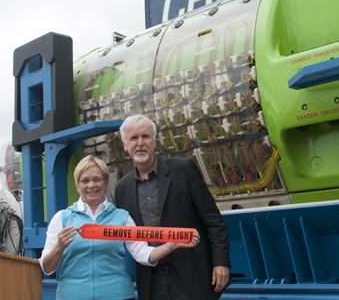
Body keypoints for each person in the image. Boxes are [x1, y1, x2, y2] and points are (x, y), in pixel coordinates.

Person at [40, 155, 199, 300]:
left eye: (97, 179)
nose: (91, 185)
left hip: (118, 295)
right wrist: (59, 248)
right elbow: (47, 268)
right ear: (77, 185)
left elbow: (142, 253)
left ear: (105, 182)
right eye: (85, 180)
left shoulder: (122, 217)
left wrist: (172, 244)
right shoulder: (62, 218)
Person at [115, 114, 230, 300]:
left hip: (190, 276)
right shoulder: (122, 188)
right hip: (151, 281)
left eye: (145, 136)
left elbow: (212, 220)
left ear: (155, 142)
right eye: (133, 138)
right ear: (125, 146)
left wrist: (221, 262)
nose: (140, 143)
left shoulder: (183, 170)